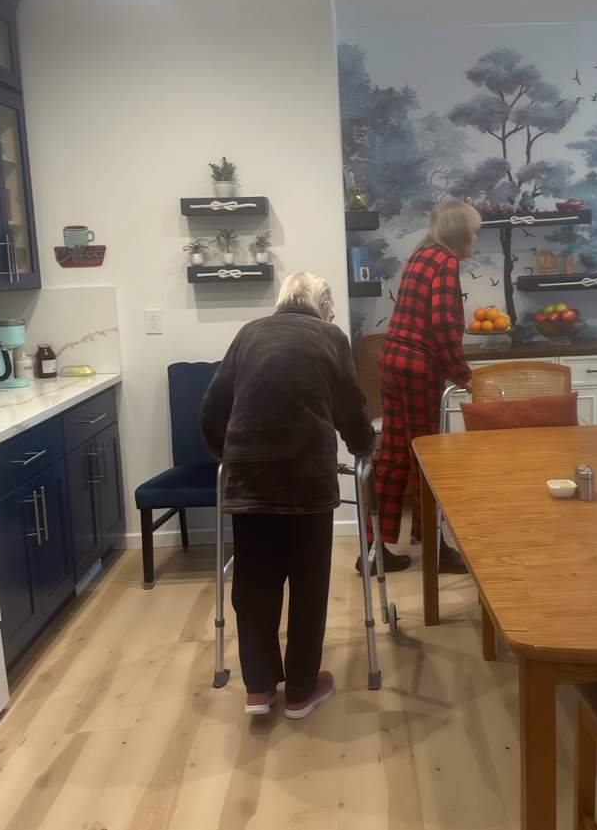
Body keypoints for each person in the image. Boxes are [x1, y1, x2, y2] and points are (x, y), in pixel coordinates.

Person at [201, 272, 375, 719]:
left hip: (249, 478)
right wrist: (363, 446)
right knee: (308, 584)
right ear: (324, 306)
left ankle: (258, 688)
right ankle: (300, 690)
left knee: (255, 585)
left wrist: (233, 456)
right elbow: (349, 407)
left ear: (282, 301)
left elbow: (213, 408)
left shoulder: (249, 333)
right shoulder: (330, 336)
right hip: (306, 478)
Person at [364, 200, 481, 575]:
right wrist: (463, 374)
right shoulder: (445, 262)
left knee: (396, 455)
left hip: (393, 360)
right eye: (474, 232)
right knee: (428, 457)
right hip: (417, 367)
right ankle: (434, 548)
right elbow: (444, 324)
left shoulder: (420, 255)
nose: (476, 239)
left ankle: (373, 550)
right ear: (461, 234)